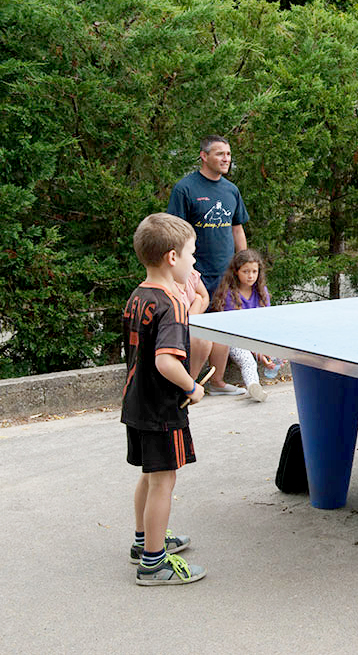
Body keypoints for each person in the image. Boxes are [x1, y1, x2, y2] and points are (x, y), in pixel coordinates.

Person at [121, 213, 207, 586]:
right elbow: (165, 360)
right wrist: (192, 387)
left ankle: (144, 542)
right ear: (172, 257)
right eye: (191, 254)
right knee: (164, 482)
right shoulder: (172, 304)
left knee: (150, 475)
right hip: (161, 409)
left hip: (137, 404)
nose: (194, 262)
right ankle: (154, 563)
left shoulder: (139, 295)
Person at [167, 135, 250, 395]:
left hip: (225, 272)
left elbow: (237, 228)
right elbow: (175, 232)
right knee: (192, 327)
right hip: (194, 273)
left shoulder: (230, 190)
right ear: (204, 156)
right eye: (219, 154)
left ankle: (217, 382)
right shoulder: (185, 189)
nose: (226, 159)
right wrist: (185, 271)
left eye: (228, 154)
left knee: (223, 328)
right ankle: (185, 384)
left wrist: (244, 264)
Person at [210, 249, 274, 402]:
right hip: (235, 339)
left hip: (255, 337)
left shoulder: (261, 292)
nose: (251, 276)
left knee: (275, 353)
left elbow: (265, 321)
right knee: (247, 360)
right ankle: (254, 386)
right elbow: (235, 328)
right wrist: (256, 351)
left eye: (254, 271)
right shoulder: (230, 293)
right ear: (236, 272)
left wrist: (265, 349)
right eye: (246, 271)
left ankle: (255, 385)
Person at [175, 268, 213, 379]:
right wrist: (197, 301)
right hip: (179, 328)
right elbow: (185, 318)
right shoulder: (170, 284)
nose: (193, 260)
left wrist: (199, 302)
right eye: (190, 255)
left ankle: (217, 382)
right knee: (201, 339)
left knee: (221, 338)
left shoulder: (192, 274)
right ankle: (191, 381)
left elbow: (205, 297)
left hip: (193, 322)